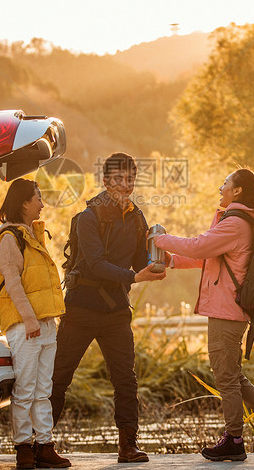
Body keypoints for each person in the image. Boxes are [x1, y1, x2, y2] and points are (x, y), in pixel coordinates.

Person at [152, 168, 254, 461]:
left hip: (226, 311)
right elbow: (209, 256)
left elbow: (199, 246)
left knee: (226, 379)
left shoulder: (235, 224)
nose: (221, 187)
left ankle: (234, 439)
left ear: (238, 191)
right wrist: (172, 261)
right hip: (229, 309)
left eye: (225, 183)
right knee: (232, 375)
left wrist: (161, 240)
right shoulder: (240, 222)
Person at [50, 152, 166, 463]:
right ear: (105, 181)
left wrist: (160, 258)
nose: (125, 185)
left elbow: (142, 264)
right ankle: (41, 445)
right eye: (119, 180)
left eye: (130, 179)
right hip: (80, 310)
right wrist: (134, 276)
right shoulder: (89, 217)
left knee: (125, 379)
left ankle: (128, 446)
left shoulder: (138, 217)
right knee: (59, 377)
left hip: (116, 311)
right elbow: (97, 264)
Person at [0, 179, 70, 469]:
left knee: (44, 389)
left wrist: (47, 319)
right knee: (26, 389)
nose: (42, 204)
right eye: (38, 198)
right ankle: (23, 449)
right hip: (25, 325)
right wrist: (31, 319)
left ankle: (44, 446)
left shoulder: (31, 235)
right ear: (23, 202)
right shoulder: (10, 238)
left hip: (45, 324)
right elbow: (13, 283)